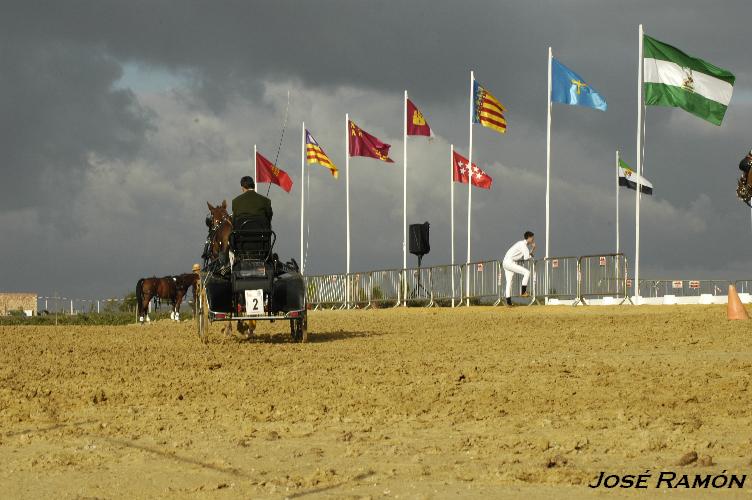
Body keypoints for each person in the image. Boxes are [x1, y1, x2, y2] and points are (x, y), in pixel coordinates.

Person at [502, 231, 536, 306]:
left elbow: (527, 255)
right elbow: (526, 257)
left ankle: (509, 302)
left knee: (509, 282)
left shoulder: (520, 243)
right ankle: (523, 292)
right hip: (509, 262)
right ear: (529, 238)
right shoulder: (524, 245)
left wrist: (532, 250)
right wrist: (533, 248)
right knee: (527, 272)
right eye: (532, 238)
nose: (533, 240)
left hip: (505, 262)